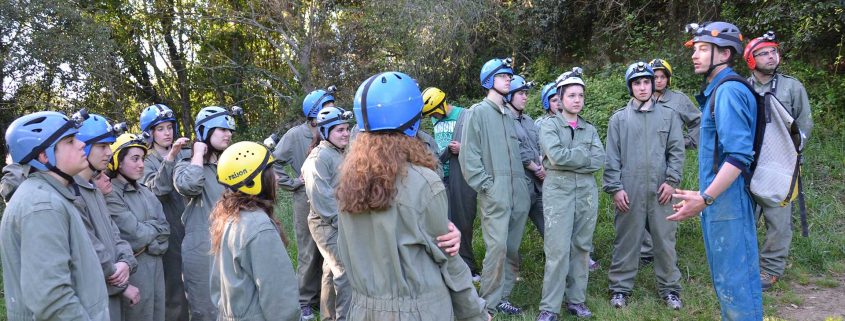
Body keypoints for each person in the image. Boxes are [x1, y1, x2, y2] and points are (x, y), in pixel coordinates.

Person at [336, 71, 488, 321]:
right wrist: (476, 313)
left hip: (362, 310)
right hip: (419, 310)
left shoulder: (349, 184)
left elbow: (345, 251)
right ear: (414, 122)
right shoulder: (424, 182)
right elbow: (449, 263)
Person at [669, 21, 764, 321]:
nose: (694, 55)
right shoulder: (717, 91)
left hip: (728, 203)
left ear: (724, 53)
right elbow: (721, 158)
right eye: (695, 49)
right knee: (726, 284)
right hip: (720, 201)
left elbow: (738, 157)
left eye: (702, 49)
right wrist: (703, 194)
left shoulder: (728, 92)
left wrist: (706, 198)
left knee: (737, 287)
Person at [1, 110, 110, 320]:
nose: (80, 144)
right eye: (69, 141)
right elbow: (53, 301)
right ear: (44, 156)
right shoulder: (42, 206)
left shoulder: (51, 196)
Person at [604, 62, 685, 310]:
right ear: (631, 87)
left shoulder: (668, 116)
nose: (642, 87)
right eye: (637, 83)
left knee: (664, 242)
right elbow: (612, 158)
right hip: (630, 190)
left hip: (661, 191)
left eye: (646, 82)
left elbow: (677, 151)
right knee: (626, 241)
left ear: (653, 84)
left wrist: (672, 182)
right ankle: (620, 289)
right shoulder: (619, 119)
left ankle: (670, 289)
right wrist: (615, 188)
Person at [460, 57, 531, 316]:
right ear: (489, 81)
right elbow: (469, 156)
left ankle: (504, 296)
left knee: (511, 247)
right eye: (503, 76)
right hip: (495, 193)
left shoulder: (509, 116)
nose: (508, 80)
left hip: (518, 194)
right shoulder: (477, 112)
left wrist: (521, 188)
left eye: (509, 76)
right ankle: (488, 303)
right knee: (497, 248)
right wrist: (487, 186)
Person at [743, 31, 814, 291]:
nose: (771, 57)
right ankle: (744, 264)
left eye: (773, 52)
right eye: (764, 53)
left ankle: (770, 269)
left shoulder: (792, 87)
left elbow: (804, 124)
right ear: (751, 59)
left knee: (778, 219)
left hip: (781, 165)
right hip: (747, 165)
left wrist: (794, 156)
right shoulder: (742, 87)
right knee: (744, 217)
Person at [536, 68, 605, 321]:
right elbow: (556, 156)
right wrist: (581, 157)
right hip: (558, 195)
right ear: (561, 98)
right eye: (571, 95)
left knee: (582, 248)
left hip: (586, 195)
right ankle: (549, 307)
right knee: (557, 251)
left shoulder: (589, 128)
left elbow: (599, 159)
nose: (577, 100)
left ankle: (576, 301)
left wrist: (570, 158)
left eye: (581, 96)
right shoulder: (549, 126)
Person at [210, 141, 301, 321]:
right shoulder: (259, 227)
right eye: (270, 172)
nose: (277, 178)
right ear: (252, 181)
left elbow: (216, 288)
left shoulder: (229, 218)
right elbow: (280, 300)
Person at [272, 87, 335, 319]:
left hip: (330, 198)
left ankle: (326, 296)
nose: (332, 111)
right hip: (305, 199)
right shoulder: (295, 135)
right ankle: (305, 300)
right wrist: (293, 182)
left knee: (330, 248)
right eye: (327, 108)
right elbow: (273, 163)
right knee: (309, 251)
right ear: (315, 112)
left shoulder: (334, 131)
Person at [174, 106, 239, 321]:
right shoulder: (186, 165)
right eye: (222, 129)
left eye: (230, 129)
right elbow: (190, 186)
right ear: (205, 131)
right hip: (201, 251)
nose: (229, 134)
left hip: (230, 246)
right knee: (206, 312)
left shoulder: (230, 166)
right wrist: (199, 153)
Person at [75, 115, 140, 321]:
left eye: (109, 146)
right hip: (94, 297)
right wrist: (120, 281)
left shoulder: (95, 190)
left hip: (112, 291)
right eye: (102, 146)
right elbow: (90, 247)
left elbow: (115, 235)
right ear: (83, 147)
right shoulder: (72, 193)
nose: (109, 152)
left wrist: (126, 263)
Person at [639, 58, 702, 265]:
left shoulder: (678, 100)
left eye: (662, 77)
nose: (658, 81)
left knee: (665, 200)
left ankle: (665, 248)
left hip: (669, 159)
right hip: (645, 160)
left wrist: (687, 141)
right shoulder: (641, 98)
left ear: (668, 79)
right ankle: (646, 250)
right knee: (644, 201)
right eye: (654, 77)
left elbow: (697, 120)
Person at [106, 133, 171, 321]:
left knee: (159, 314)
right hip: (134, 273)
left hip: (157, 268)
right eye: (134, 159)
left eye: (142, 159)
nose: (141, 164)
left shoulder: (146, 192)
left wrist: (148, 237)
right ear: (117, 161)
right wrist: (151, 235)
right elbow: (134, 235)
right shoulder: (110, 193)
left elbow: (165, 229)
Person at [422, 86, 481, 280]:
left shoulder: (465, 115)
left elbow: (481, 143)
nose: (433, 117)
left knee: (464, 221)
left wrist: (463, 148)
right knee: (446, 223)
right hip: (441, 175)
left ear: (441, 105)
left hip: (462, 175)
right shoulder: (435, 120)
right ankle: (452, 266)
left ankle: (469, 266)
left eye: (433, 112)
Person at [139, 104, 191, 320]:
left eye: (170, 127)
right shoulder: (144, 159)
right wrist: (171, 157)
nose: (167, 133)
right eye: (160, 128)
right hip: (167, 230)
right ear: (150, 133)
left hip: (191, 225)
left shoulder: (184, 153)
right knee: (175, 290)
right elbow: (156, 189)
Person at [302, 106, 353, 321]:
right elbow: (322, 200)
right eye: (340, 130)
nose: (346, 133)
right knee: (345, 272)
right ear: (325, 132)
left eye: (347, 129)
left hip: (339, 219)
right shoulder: (318, 158)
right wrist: (346, 225)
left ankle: (328, 317)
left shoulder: (339, 152)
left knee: (330, 272)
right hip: (327, 223)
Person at [504, 75, 545, 237]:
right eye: (521, 93)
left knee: (551, 227)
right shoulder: (504, 119)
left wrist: (542, 166)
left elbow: (537, 146)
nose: (525, 97)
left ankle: (566, 260)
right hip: (518, 187)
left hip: (538, 185)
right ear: (509, 96)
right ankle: (510, 262)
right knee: (512, 233)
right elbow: (516, 150)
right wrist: (536, 168)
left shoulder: (528, 120)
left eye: (526, 93)